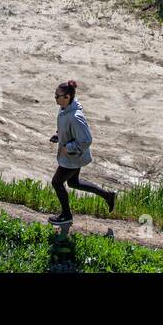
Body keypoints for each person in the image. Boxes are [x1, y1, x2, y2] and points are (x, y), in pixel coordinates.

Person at [48, 79, 116, 225]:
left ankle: (66, 215)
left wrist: (69, 147)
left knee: (57, 182)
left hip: (72, 157)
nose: (55, 98)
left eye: (57, 96)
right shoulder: (65, 108)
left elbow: (86, 140)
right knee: (73, 183)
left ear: (67, 97)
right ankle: (108, 196)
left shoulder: (76, 117)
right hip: (72, 156)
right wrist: (59, 135)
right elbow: (67, 129)